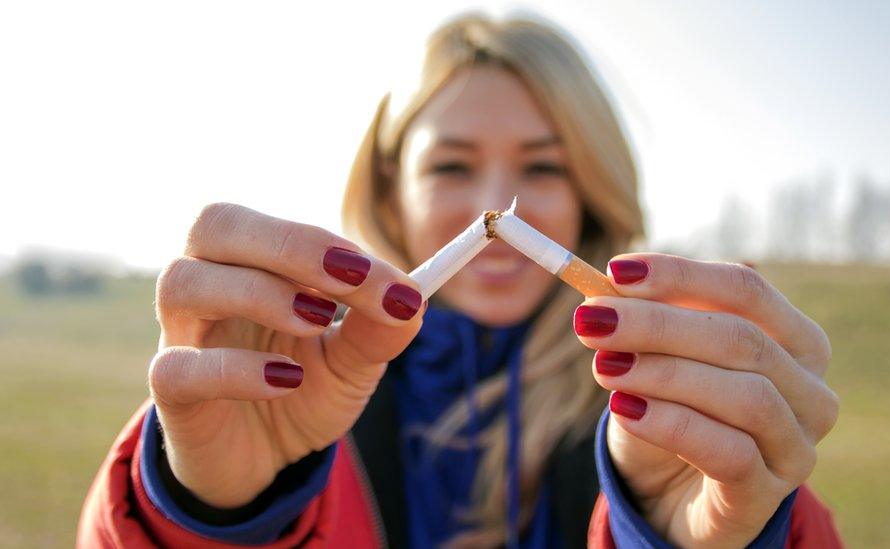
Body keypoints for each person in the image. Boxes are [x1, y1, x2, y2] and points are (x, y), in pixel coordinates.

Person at [78, 12, 842, 548]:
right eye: (451, 165)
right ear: (389, 191)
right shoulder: (299, 385)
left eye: (544, 165)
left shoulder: (672, 409)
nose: (495, 206)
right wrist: (207, 511)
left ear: (591, 191)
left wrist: (700, 531)